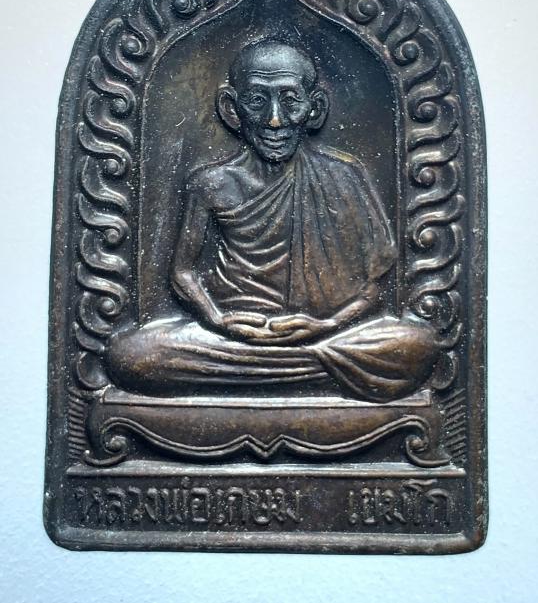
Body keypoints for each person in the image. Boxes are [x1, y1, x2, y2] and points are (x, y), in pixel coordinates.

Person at [106, 39, 440, 401]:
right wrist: (217, 319)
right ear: (231, 109)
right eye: (257, 100)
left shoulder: (345, 175)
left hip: (329, 335)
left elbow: (373, 287)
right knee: (132, 355)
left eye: (291, 100)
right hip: (229, 338)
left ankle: (265, 376)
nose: (275, 120)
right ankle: (318, 376)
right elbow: (183, 272)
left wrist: (326, 324)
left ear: (315, 108)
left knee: (416, 344)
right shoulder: (211, 183)